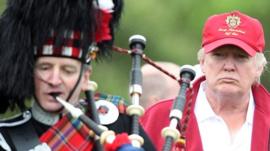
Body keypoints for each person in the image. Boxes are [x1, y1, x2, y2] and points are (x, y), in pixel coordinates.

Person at [0, 0, 155, 150]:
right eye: (45, 68)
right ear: (29, 72)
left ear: (85, 78)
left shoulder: (119, 121)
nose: (54, 80)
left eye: (67, 71)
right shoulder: (5, 139)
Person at [140, 10, 270, 151]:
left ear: (259, 67)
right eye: (219, 55)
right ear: (202, 62)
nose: (228, 67)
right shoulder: (160, 117)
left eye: (241, 57)